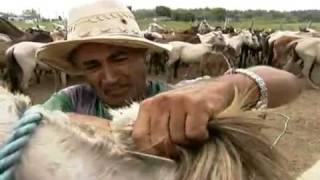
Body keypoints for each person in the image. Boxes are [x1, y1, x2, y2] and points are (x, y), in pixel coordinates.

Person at [33, 0, 301, 158]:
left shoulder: (181, 97)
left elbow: (288, 83)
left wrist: (220, 90)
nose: (110, 77)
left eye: (120, 58)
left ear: (145, 56)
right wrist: (114, 129)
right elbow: (26, 122)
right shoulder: (71, 100)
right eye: (92, 65)